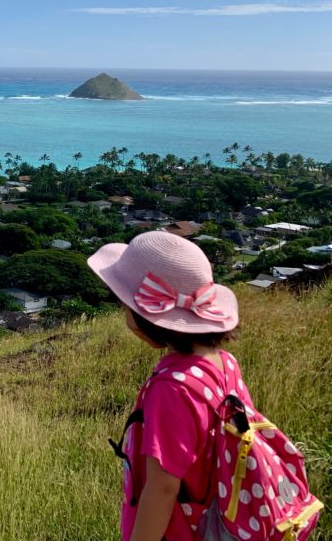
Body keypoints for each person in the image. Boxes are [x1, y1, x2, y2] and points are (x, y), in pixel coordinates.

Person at [88, 231, 242, 541]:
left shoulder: (171, 389)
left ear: (148, 318)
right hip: (215, 512)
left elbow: (163, 486)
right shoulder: (224, 362)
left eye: (125, 306)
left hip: (182, 529)